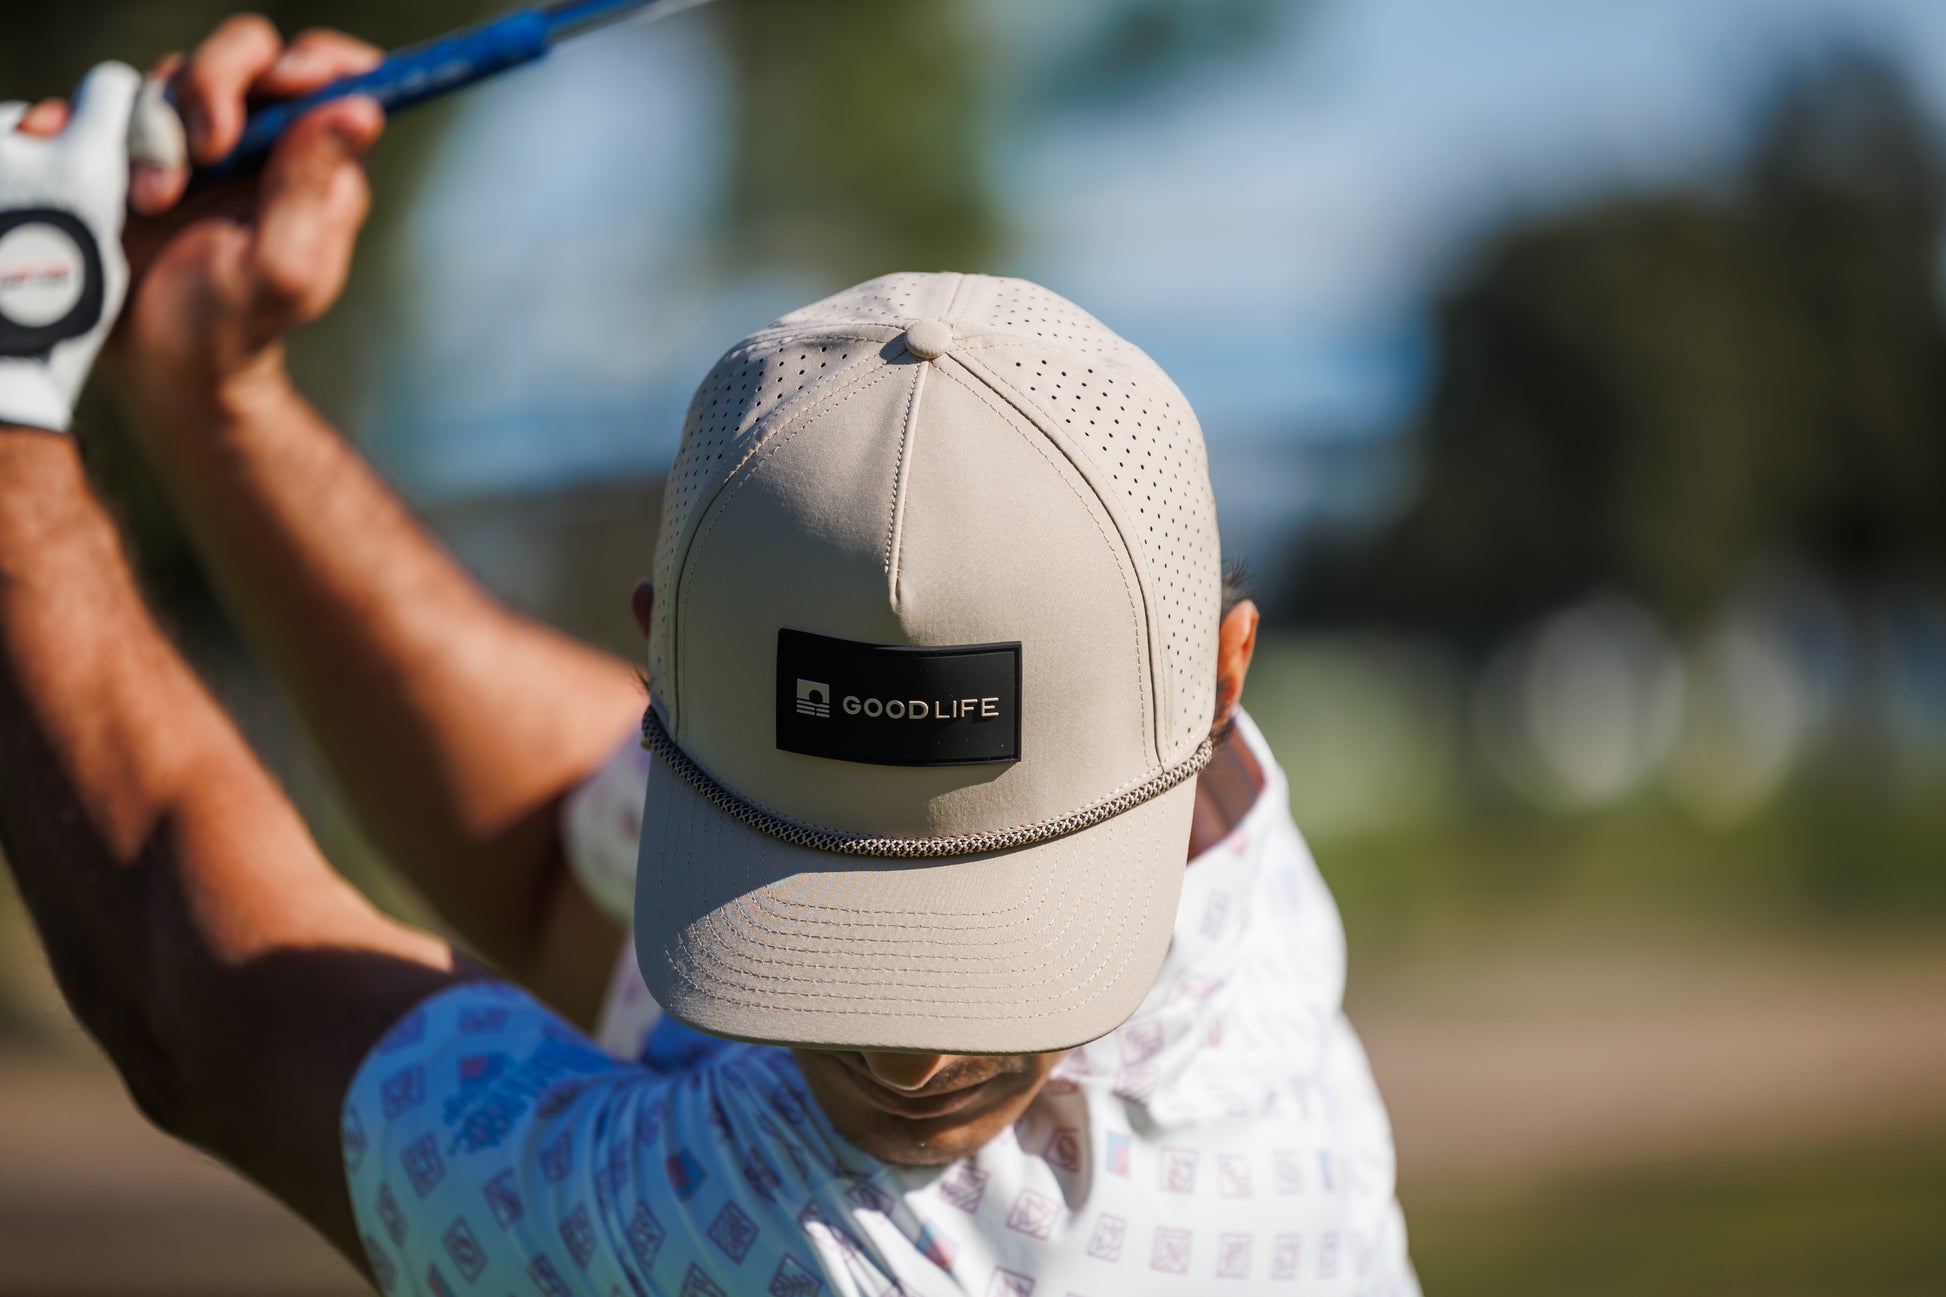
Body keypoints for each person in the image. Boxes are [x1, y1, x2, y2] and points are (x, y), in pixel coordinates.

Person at [0, 18, 1415, 1296]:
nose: (908, 1059)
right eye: (821, 899)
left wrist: (13, 372)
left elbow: (204, 1012)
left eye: (984, 942)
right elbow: (554, 864)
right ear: (663, 675)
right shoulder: (1211, 835)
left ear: (1225, 678)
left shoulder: (838, 1248)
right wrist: (213, 385)